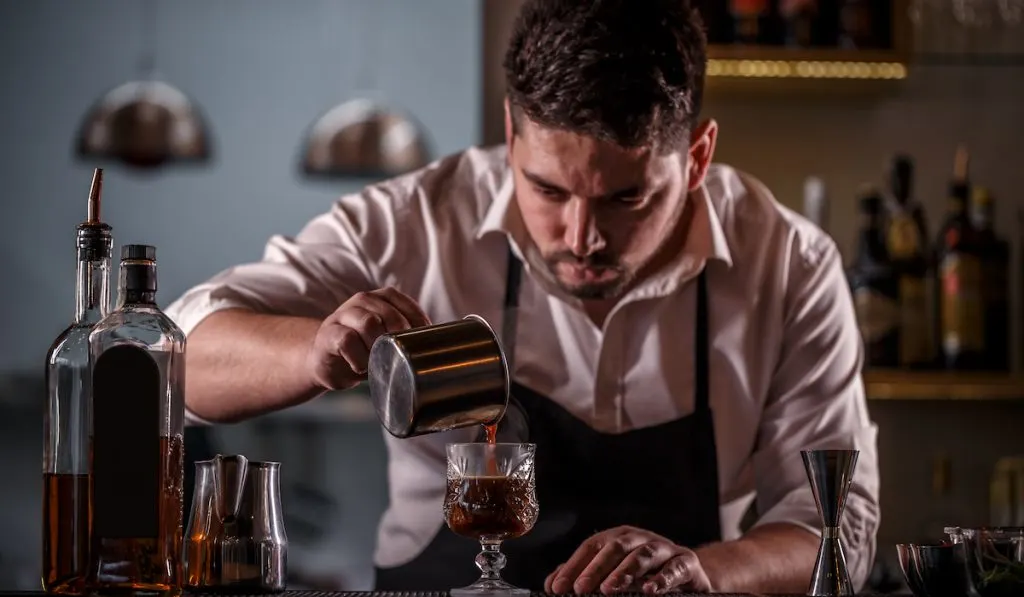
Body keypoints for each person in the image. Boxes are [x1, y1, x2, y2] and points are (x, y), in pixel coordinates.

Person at [165, 0, 880, 594]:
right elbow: (176, 358)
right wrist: (317, 349)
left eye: (626, 198)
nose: (582, 236)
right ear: (511, 134)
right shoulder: (416, 223)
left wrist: (706, 569)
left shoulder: (789, 265)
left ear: (696, 158)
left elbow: (838, 531)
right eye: (547, 189)